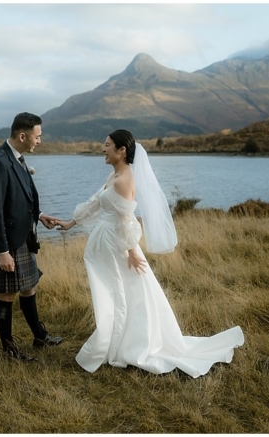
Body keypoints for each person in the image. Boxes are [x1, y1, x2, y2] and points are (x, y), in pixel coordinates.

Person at [53, 129, 244, 376]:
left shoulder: (124, 180)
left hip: (119, 247)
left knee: (123, 294)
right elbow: (96, 202)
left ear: (122, 151)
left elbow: (127, 221)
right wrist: (70, 223)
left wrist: (132, 251)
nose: (103, 148)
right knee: (113, 293)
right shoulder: (115, 174)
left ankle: (125, 344)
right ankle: (115, 341)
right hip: (109, 244)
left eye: (107, 144)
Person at [0, 112, 64, 362]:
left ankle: (39, 336)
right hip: (7, 240)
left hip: (21, 235)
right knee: (6, 294)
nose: (39, 141)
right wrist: (1, 251)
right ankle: (9, 351)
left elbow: (18, 198)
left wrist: (40, 215)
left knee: (30, 285)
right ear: (23, 135)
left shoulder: (17, 158)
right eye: (37, 137)